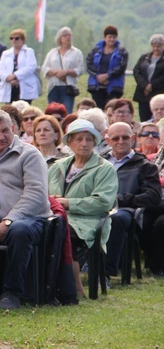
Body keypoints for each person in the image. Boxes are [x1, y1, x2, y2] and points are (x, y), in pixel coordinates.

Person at [0, 109, 52, 309]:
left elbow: (36, 195)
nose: (1, 137)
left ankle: (11, 293)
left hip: (30, 218)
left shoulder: (29, 154)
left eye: (5, 131)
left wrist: (9, 220)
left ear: (14, 129)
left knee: (19, 230)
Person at [47, 119, 118, 297]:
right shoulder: (57, 166)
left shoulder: (105, 168)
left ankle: (75, 289)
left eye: (89, 139)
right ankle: (43, 286)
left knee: (62, 231)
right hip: (56, 216)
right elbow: (43, 192)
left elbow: (103, 202)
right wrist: (52, 200)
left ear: (95, 142)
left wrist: (69, 202)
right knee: (37, 230)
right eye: (79, 139)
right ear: (69, 142)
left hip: (89, 221)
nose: (84, 144)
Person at [100, 122, 161, 283]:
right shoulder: (98, 162)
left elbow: (153, 197)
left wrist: (122, 198)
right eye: (115, 138)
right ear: (108, 140)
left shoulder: (145, 166)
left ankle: (106, 273)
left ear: (133, 138)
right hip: (95, 206)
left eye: (125, 137)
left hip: (126, 210)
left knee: (115, 218)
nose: (121, 141)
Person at [41, 27, 85, 115]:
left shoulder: (76, 52)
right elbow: (45, 68)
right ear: (60, 38)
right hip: (53, 86)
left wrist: (67, 72)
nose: (67, 37)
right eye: (65, 35)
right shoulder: (52, 52)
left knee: (67, 112)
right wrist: (56, 72)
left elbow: (80, 69)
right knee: (52, 112)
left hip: (68, 86)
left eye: (69, 35)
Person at [86, 25, 129, 109]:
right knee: (98, 110)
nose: (112, 39)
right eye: (110, 37)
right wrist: (98, 77)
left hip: (114, 87)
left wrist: (107, 76)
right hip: (96, 86)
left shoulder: (122, 51)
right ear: (105, 37)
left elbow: (122, 67)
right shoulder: (95, 50)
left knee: (112, 109)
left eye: (114, 37)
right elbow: (89, 64)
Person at [0, 29, 39, 104]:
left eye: (17, 38)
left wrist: (15, 76)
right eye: (11, 38)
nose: (14, 40)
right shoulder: (5, 53)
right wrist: (8, 78)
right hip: (9, 86)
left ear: (22, 40)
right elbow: (1, 70)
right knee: (9, 110)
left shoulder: (28, 51)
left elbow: (31, 67)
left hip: (23, 86)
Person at [133, 34, 164, 122]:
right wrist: (144, 85)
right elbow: (136, 71)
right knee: (144, 119)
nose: (155, 49)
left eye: (158, 46)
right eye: (153, 46)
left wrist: (152, 85)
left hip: (158, 92)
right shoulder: (144, 57)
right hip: (143, 94)